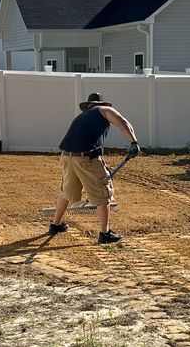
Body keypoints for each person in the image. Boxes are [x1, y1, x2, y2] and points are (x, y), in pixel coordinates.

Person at [47, 92, 140, 244]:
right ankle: (105, 233)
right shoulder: (105, 110)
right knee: (102, 193)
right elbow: (123, 122)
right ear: (100, 104)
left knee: (66, 192)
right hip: (86, 158)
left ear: (88, 105)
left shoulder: (81, 117)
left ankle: (56, 225)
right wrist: (133, 142)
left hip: (67, 156)